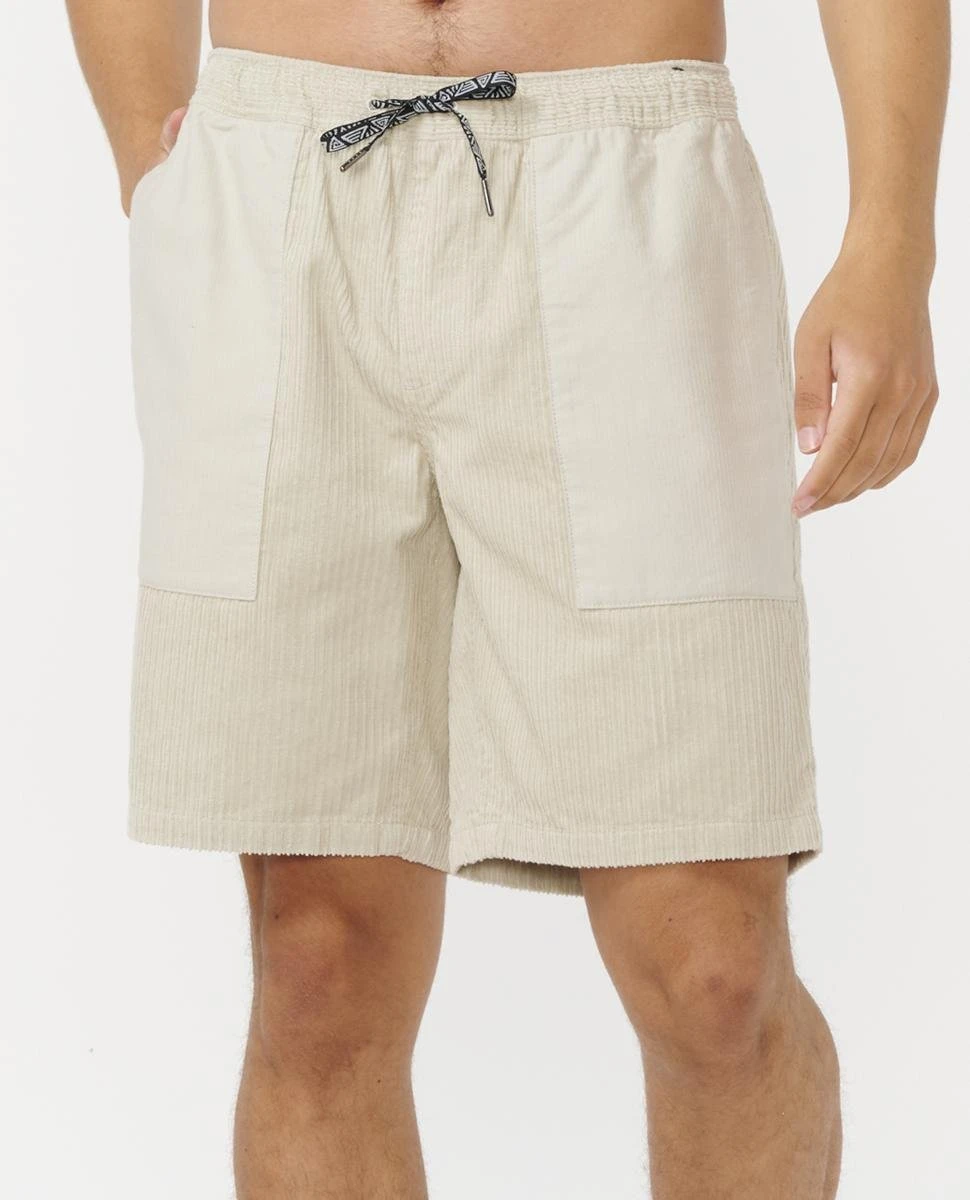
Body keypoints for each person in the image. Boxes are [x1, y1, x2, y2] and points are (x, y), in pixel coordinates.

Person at [67, 0, 947, 1195]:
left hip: (623, 184)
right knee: (318, 962)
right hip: (279, 178)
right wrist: (148, 155)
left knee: (713, 972)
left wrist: (892, 242)